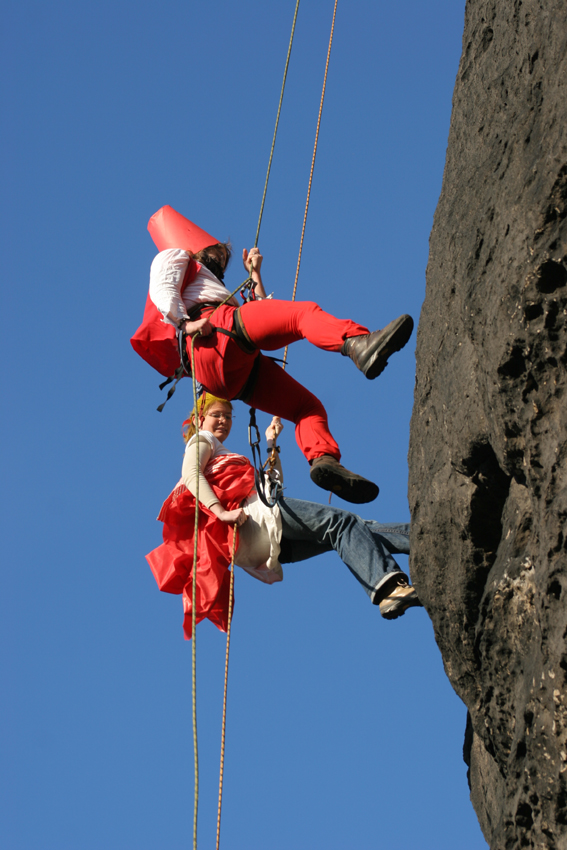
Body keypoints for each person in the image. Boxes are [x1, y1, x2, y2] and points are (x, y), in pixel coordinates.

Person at [149, 231, 414, 505]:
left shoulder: (206, 285)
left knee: (307, 408)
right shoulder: (178, 255)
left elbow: (266, 313)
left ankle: (324, 460)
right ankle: (359, 343)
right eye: (217, 252)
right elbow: (162, 286)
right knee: (303, 314)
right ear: (198, 248)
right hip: (213, 332)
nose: (222, 261)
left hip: (223, 373)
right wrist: (185, 324)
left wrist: (255, 275)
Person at [146, 394, 421, 640]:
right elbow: (192, 474)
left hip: (257, 548)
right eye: (217, 415)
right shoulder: (202, 440)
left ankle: (422, 538)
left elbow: (271, 486)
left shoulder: (224, 456)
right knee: (343, 522)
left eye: (228, 416)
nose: (224, 421)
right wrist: (221, 512)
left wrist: (271, 444)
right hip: (255, 519)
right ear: (198, 419)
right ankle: (390, 589)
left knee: (355, 532)